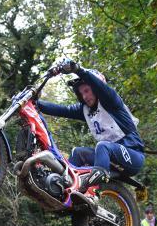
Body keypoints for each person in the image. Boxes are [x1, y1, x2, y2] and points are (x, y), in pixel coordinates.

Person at [37, 59, 145, 194]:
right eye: (81, 93)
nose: (85, 96)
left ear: (96, 88)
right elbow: (60, 110)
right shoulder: (85, 109)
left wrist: (77, 70)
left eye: (87, 90)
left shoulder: (111, 101)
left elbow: (100, 87)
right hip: (108, 158)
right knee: (78, 152)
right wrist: (34, 102)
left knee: (103, 146)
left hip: (133, 156)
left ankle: (94, 185)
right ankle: (65, 187)